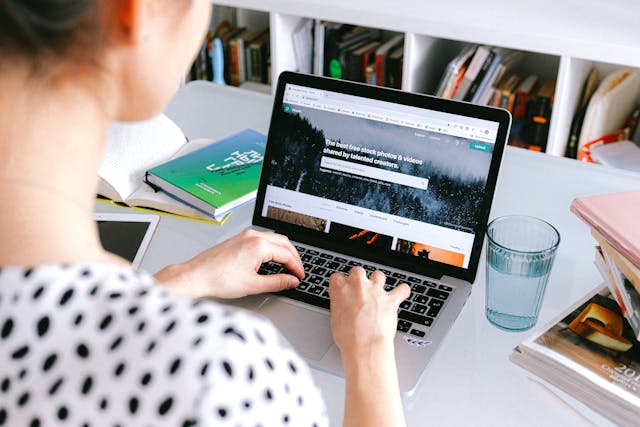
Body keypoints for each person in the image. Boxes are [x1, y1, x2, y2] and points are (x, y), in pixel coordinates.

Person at [0, 1, 411, 426]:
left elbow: (72, 341)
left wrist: (179, 280)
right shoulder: (219, 375)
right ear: (134, 14)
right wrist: (370, 351)